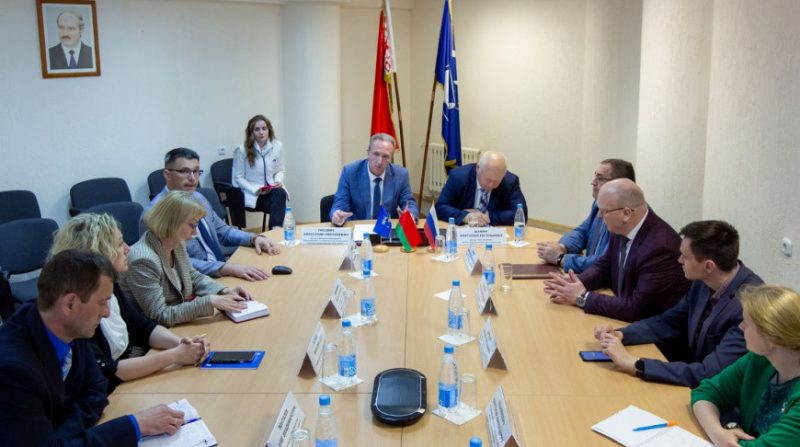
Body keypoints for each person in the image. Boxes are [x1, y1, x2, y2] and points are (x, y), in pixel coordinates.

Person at [0, 249, 186, 445]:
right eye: (102, 302)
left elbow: (97, 389)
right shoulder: (13, 371)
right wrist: (133, 426)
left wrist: (60, 438)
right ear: (70, 304)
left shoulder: (70, 326)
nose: (106, 313)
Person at [51, 213, 208, 393]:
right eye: (119, 243)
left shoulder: (111, 285)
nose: (127, 249)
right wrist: (174, 356)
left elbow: (143, 327)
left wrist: (182, 343)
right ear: (100, 251)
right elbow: (105, 370)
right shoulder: (79, 308)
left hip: (130, 375)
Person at [594, 220, 762, 387]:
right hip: (696, 380)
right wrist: (622, 334)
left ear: (709, 266)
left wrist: (634, 363)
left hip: (719, 392)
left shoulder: (749, 306)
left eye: (685, 257)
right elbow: (669, 322)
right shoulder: (705, 280)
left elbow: (709, 372)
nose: (679, 260)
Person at [544, 179, 689, 322]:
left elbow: (637, 309)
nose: (600, 216)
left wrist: (582, 297)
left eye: (604, 212)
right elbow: (604, 267)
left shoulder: (660, 248)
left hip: (652, 330)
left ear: (626, 213)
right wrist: (576, 284)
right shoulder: (622, 226)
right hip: (622, 315)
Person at [692, 285, 800, 446]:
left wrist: (726, 437)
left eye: (747, 323)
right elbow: (706, 392)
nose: (741, 327)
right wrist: (718, 433)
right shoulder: (760, 359)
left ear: (771, 336)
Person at [148, 147, 278, 281]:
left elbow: (224, 232)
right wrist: (225, 269)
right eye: (184, 171)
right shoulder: (155, 213)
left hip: (220, 269)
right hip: (195, 281)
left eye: (196, 171)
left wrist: (253, 238)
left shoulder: (198, 198)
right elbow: (172, 263)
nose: (192, 178)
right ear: (167, 174)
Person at [125, 191, 251, 327]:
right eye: (192, 225)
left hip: (176, 322)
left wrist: (223, 291)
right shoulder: (142, 259)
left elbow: (192, 276)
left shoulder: (175, 241)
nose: (195, 232)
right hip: (154, 331)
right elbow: (160, 314)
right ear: (171, 222)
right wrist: (209, 301)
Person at [537, 159, 635, 273]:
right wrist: (562, 247)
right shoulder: (599, 204)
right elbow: (582, 232)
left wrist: (561, 258)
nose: (593, 182)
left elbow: (605, 263)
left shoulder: (625, 216)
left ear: (619, 184)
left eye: (600, 178)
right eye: (595, 176)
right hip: (591, 277)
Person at [330, 133, 418, 226]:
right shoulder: (350, 172)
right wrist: (337, 215)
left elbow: (409, 203)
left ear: (391, 158)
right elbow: (340, 204)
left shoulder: (401, 175)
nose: (379, 161)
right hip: (358, 229)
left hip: (387, 229)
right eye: (376, 154)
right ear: (368, 153)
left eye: (385, 156)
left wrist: (410, 215)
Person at [434, 151, 527, 226]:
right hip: (463, 232)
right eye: (488, 180)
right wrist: (466, 216)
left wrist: (487, 216)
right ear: (478, 168)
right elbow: (440, 207)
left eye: (496, 181)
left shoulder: (509, 182)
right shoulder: (459, 177)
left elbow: (521, 214)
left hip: (494, 235)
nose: (491, 185)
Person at [231, 114, 288, 231]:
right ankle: (276, 233)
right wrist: (255, 190)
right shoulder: (241, 150)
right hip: (253, 195)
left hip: (271, 191)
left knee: (280, 193)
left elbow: (280, 169)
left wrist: (278, 181)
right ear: (251, 132)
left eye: (264, 128)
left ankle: (275, 231)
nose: (261, 132)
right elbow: (238, 177)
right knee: (277, 205)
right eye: (257, 129)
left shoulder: (277, 146)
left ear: (269, 130)